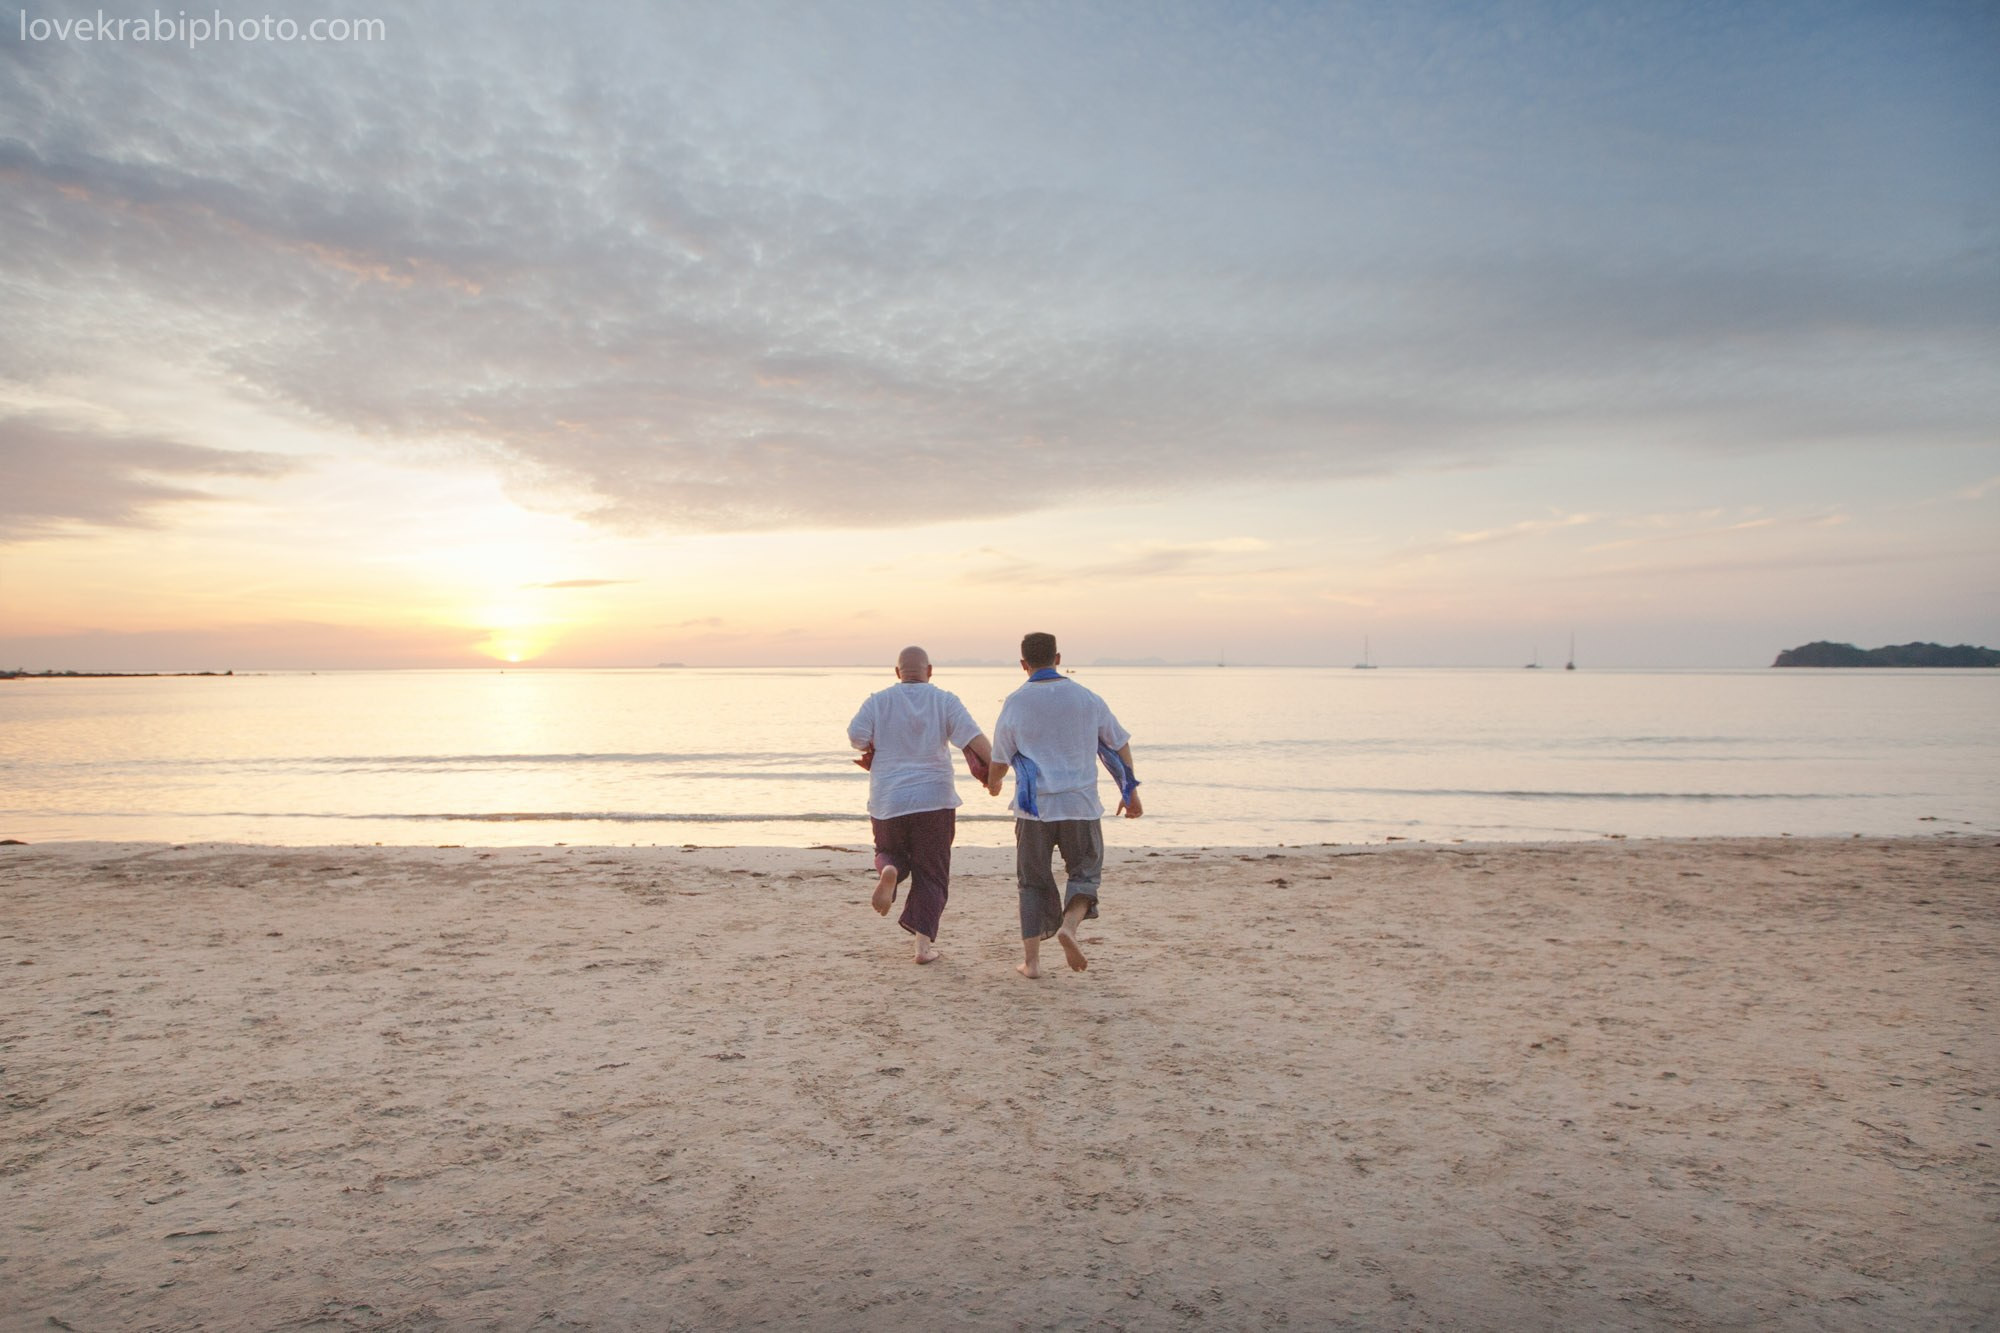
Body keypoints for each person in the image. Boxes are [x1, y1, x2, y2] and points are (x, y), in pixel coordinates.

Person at [985, 632, 1142, 978]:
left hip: (1033, 809)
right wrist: (1129, 791)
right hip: (1081, 805)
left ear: (1023, 664)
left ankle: (1033, 963)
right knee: (1085, 872)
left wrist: (993, 782)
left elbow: (1000, 757)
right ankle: (1069, 926)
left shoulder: (1015, 702)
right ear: (1058, 658)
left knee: (1032, 882)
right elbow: (1119, 744)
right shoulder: (1086, 698)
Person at [847, 646, 992, 964]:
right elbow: (974, 739)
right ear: (930, 670)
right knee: (933, 874)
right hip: (934, 800)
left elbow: (856, 736)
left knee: (889, 851)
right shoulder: (945, 700)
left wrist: (878, 739)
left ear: (897, 672)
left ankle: (890, 870)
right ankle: (923, 949)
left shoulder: (878, 700)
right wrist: (996, 772)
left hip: (889, 799)